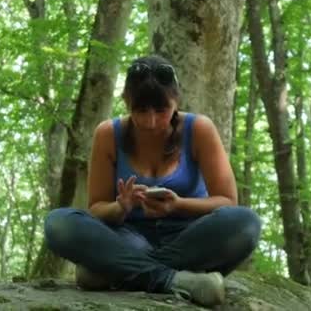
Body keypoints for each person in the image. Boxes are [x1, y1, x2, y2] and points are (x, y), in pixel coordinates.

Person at [44, 54, 262, 307]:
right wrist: (121, 207)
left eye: (161, 110)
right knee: (58, 223)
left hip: (189, 237)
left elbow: (227, 202)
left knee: (246, 223)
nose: (151, 121)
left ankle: (115, 270)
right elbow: (96, 209)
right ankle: (178, 280)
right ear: (127, 102)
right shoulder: (108, 134)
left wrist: (178, 205)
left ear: (176, 102)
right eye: (141, 111)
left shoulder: (199, 129)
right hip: (129, 236)